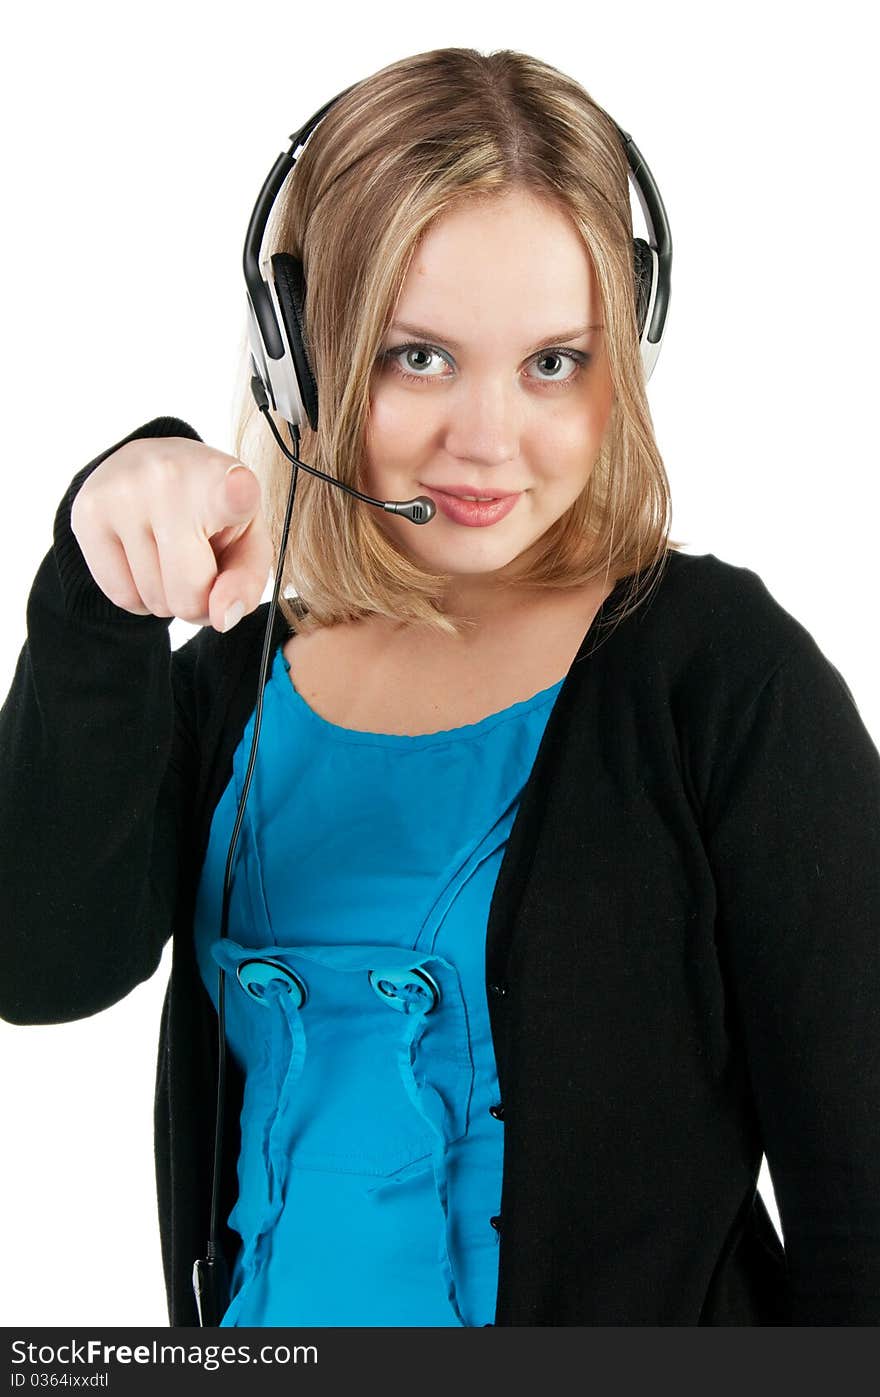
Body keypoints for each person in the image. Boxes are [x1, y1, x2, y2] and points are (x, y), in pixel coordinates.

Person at [1, 46, 879, 1329]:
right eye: (418, 357)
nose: (487, 438)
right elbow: (40, 966)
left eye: (551, 363)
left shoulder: (721, 681)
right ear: (300, 352)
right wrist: (98, 597)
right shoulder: (225, 693)